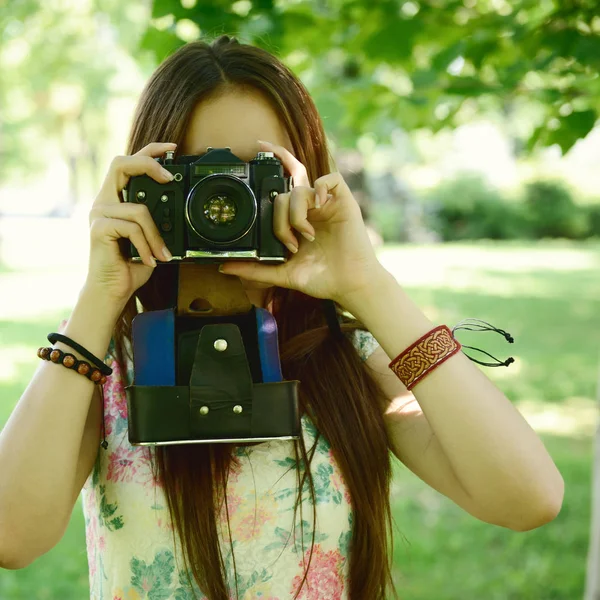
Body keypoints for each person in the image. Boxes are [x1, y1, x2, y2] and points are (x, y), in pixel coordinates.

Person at [0, 36, 564, 600]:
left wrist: (367, 285)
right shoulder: (105, 370)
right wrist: (99, 299)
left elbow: (527, 498)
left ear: (307, 180)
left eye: (255, 176)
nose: (224, 205)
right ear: (145, 188)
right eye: (198, 177)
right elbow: (12, 537)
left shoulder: (348, 361)